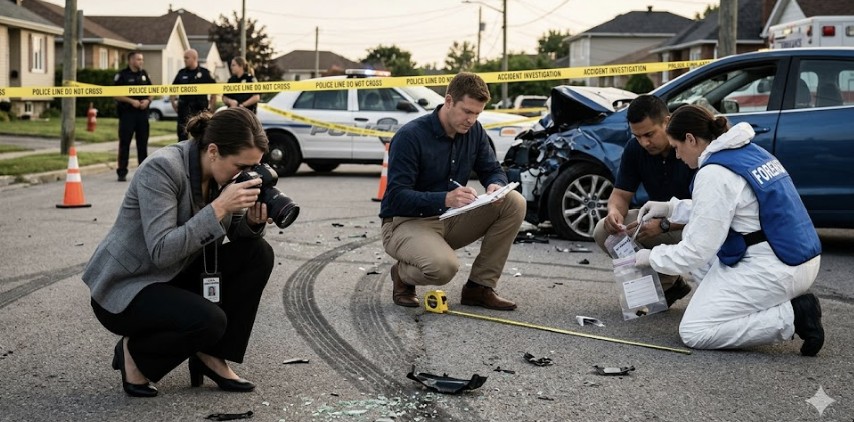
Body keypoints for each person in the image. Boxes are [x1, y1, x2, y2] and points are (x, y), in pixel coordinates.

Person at [82, 107, 275, 397]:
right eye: (240, 166)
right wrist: (220, 206)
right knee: (209, 321)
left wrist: (250, 222)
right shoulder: (162, 168)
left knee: (257, 253)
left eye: (252, 167)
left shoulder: (223, 177)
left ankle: (210, 356)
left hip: (176, 275)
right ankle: (134, 353)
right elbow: (161, 250)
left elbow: (232, 232)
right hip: (129, 286)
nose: (245, 175)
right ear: (213, 151)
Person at [634, 105, 824, 355]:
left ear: (690, 139)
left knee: (694, 331)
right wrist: (671, 208)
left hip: (775, 268)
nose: (678, 156)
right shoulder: (749, 152)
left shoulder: (713, 172)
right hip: (798, 258)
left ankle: (793, 315)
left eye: (677, 147)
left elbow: (696, 251)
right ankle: (743, 305)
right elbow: (725, 206)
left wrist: (651, 257)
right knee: (702, 263)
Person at [379, 72, 526, 310]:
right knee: (443, 268)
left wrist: (495, 184)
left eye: (477, 113)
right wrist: (446, 198)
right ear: (448, 101)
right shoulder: (410, 136)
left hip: (449, 217)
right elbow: (396, 197)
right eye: (467, 111)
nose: (471, 119)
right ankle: (402, 274)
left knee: (513, 202)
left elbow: (492, 169)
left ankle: (479, 288)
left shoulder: (475, 132)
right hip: (405, 222)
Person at [592, 95, 695, 307]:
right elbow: (620, 195)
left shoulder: (691, 146)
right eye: (637, 136)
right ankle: (668, 285)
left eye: (649, 134)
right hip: (656, 219)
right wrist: (614, 213)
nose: (644, 143)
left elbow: (711, 213)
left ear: (667, 122)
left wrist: (665, 224)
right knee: (604, 230)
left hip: (695, 225)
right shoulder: (635, 148)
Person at [113, 51, 152, 182]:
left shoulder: (144, 74)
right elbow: (115, 94)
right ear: (130, 61)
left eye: (142, 59)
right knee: (125, 143)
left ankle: (143, 172)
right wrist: (131, 101)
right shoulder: (122, 75)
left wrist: (148, 101)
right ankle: (122, 172)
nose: (141, 62)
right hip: (127, 114)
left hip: (142, 114)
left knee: (143, 144)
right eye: (138, 59)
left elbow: (153, 90)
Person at [171, 48, 217, 141]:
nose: (185, 60)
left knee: (202, 136)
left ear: (194, 58)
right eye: (184, 58)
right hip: (184, 108)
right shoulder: (181, 73)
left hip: (200, 109)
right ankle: (183, 155)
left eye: (187, 58)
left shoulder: (205, 73)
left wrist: (212, 107)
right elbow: (172, 90)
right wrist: (174, 104)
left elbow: (215, 90)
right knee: (182, 135)